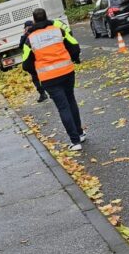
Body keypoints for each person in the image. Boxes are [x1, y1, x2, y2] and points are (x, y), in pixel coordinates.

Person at [23, 8, 85, 151]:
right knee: (71, 101)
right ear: (46, 17)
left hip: (49, 78)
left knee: (63, 107)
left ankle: (75, 142)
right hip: (67, 72)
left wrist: (37, 71)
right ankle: (80, 133)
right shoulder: (58, 31)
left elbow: (26, 64)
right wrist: (73, 59)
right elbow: (75, 46)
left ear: (34, 20)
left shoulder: (30, 39)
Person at [20, 20, 48, 103]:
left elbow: (21, 46)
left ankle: (43, 93)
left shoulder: (27, 35)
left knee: (36, 77)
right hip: (41, 58)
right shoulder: (39, 31)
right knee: (43, 75)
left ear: (26, 28)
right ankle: (47, 92)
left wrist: (24, 34)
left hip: (33, 60)